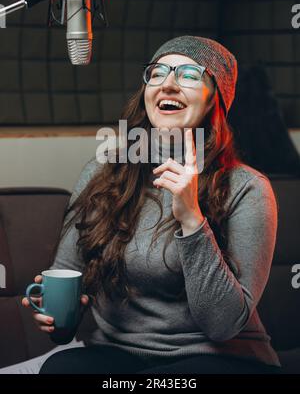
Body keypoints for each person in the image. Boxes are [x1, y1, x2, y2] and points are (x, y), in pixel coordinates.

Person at [22, 35, 282, 374]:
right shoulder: (103, 173)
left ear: (214, 101)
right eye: (158, 72)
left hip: (218, 359)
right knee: (61, 368)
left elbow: (222, 325)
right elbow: (68, 280)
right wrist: (58, 318)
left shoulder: (248, 188)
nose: (169, 84)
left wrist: (191, 219)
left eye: (189, 75)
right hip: (120, 354)